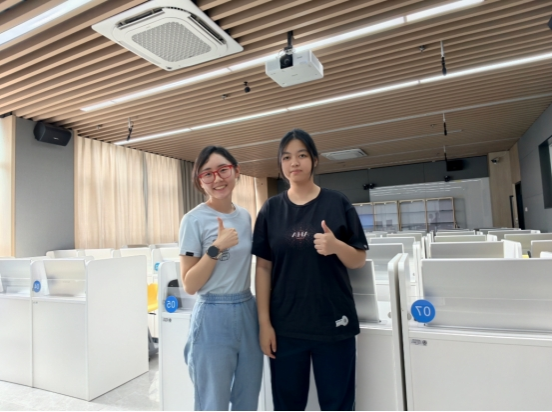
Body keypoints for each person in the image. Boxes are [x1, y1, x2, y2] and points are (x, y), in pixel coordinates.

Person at [252, 129, 368, 411]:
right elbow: (263, 268)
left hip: (334, 323)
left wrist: (336, 246)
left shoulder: (337, 202)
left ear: (314, 160)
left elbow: (358, 260)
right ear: (280, 164)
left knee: (338, 405)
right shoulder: (270, 209)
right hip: (285, 327)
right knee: (287, 406)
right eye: (287, 157)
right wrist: (264, 324)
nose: (294, 162)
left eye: (302, 155)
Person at [179, 146, 263, 411]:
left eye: (223, 170)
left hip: (247, 308)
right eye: (207, 174)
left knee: (248, 398)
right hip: (212, 313)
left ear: (236, 171)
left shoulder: (245, 216)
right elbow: (190, 284)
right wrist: (216, 248)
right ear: (200, 181)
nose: (217, 179)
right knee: (212, 402)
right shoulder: (193, 220)